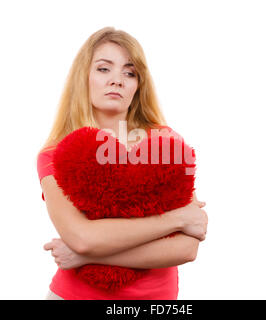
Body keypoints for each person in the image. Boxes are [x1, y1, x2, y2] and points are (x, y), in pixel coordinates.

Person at [36, 27, 208, 300]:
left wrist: (86, 257)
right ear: (84, 77)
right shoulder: (55, 154)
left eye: (129, 73)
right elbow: (82, 238)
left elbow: (186, 248)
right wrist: (176, 219)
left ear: (138, 85)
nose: (117, 80)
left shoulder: (164, 143)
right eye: (104, 69)